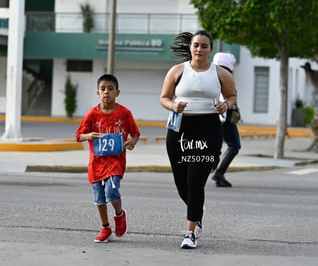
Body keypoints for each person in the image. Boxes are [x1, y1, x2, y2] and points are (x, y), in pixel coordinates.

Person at [160, 30, 237, 249]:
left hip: (208, 129)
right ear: (190, 47)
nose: (199, 49)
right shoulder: (177, 71)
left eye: (204, 46)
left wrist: (226, 104)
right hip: (180, 129)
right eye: (196, 45)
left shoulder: (220, 73)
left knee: (196, 181)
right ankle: (197, 212)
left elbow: (232, 96)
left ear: (210, 49)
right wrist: (174, 105)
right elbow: (164, 97)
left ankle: (190, 233)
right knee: (181, 183)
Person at [75, 74, 141, 243]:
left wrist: (132, 142)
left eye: (110, 89)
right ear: (98, 92)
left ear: (117, 92)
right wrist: (89, 135)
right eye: (103, 89)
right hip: (96, 163)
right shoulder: (92, 114)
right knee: (99, 198)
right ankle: (105, 227)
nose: (106, 92)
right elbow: (78, 136)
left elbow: (135, 133)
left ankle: (119, 215)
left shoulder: (124, 113)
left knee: (111, 192)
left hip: (115, 162)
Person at [211, 52, 241, 187]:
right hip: (224, 118)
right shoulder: (225, 77)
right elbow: (222, 99)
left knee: (217, 147)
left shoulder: (213, 76)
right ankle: (219, 172)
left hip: (218, 118)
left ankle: (217, 172)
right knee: (234, 146)